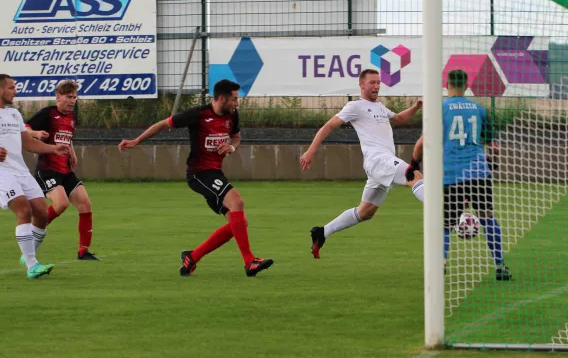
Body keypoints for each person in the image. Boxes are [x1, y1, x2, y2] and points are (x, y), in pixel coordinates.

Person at [118, 79, 274, 277]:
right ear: (222, 98)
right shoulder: (198, 115)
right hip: (199, 174)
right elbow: (163, 124)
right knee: (237, 201)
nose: (237, 103)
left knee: (239, 222)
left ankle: (192, 257)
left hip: (215, 173)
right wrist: (137, 140)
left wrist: (231, 147)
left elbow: (236, 137)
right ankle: (249, 261)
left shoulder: (232, 115)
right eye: (234, 99)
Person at [300, 68, 424, 259]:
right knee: (415, 177)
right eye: (372, 82)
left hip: (379, 164)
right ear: (362, 85)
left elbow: (399, 119)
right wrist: (311, 150)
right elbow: (328, 126)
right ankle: (453, 217)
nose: (376, 86)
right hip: (378, 160)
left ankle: (322, 232)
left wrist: (416, 106)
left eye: (378, 82)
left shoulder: (380, 107)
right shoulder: (355, 106)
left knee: (365, 212)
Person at [409, 69, 511, 281]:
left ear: (447, 85)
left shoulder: (440, 108)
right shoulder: (479, 110)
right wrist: (491, 163)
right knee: (487, 217)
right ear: (466, 86)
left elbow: (421, 143)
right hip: (478, 172)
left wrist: (413, 164)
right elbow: (494, 146)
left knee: (445, 223)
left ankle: (441, 264)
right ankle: (500, 266)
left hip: (451, 175)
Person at [0, 74, 70, 278]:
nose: (16, 91)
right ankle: (32, 265)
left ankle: (28, 255)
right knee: (24, 209)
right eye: (12, 87)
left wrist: (53, 149)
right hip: (2, 173)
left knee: (41, 212)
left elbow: (28, 144)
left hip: (20, 170)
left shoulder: (14, 115)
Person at [25, 79, 98, 260]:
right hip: (47, 169)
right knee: (61, 204)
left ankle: (83, 251)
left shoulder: (72, 117)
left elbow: (67, 137)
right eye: (68, 97)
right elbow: (25, 128)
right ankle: (32, 234)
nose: (72, 101)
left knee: (85, 205)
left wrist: (71, 152)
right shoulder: (47, 113)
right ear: (58, 97)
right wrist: (35, 134)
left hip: (65, 170)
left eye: (74, 97)